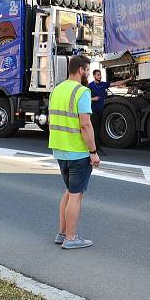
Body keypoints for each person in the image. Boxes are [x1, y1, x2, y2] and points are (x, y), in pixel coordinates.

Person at [49, 55, 100, 250]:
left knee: (69, 193)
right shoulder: (82, 92)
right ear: (81, 70)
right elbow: (85, 125)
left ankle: (62, 233)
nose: (88, 74)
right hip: (77, 152)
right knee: (76, 195)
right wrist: (93, 152)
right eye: (87, 70)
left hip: (60, 150)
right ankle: (71, 238)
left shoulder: (57, 90)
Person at [87, 69, 110, 156]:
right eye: (98, 75)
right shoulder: (90, 86)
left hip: (101, 110)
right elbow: (85, 97)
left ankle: (97, 147)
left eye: (100, 75)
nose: (99, 76)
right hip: (93, 111)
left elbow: (115, 83)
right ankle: (96, 149)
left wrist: (128, 79)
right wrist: (93, 99)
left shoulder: (103, 84)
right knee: (95, 130)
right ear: (94, 76)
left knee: (99, 129)